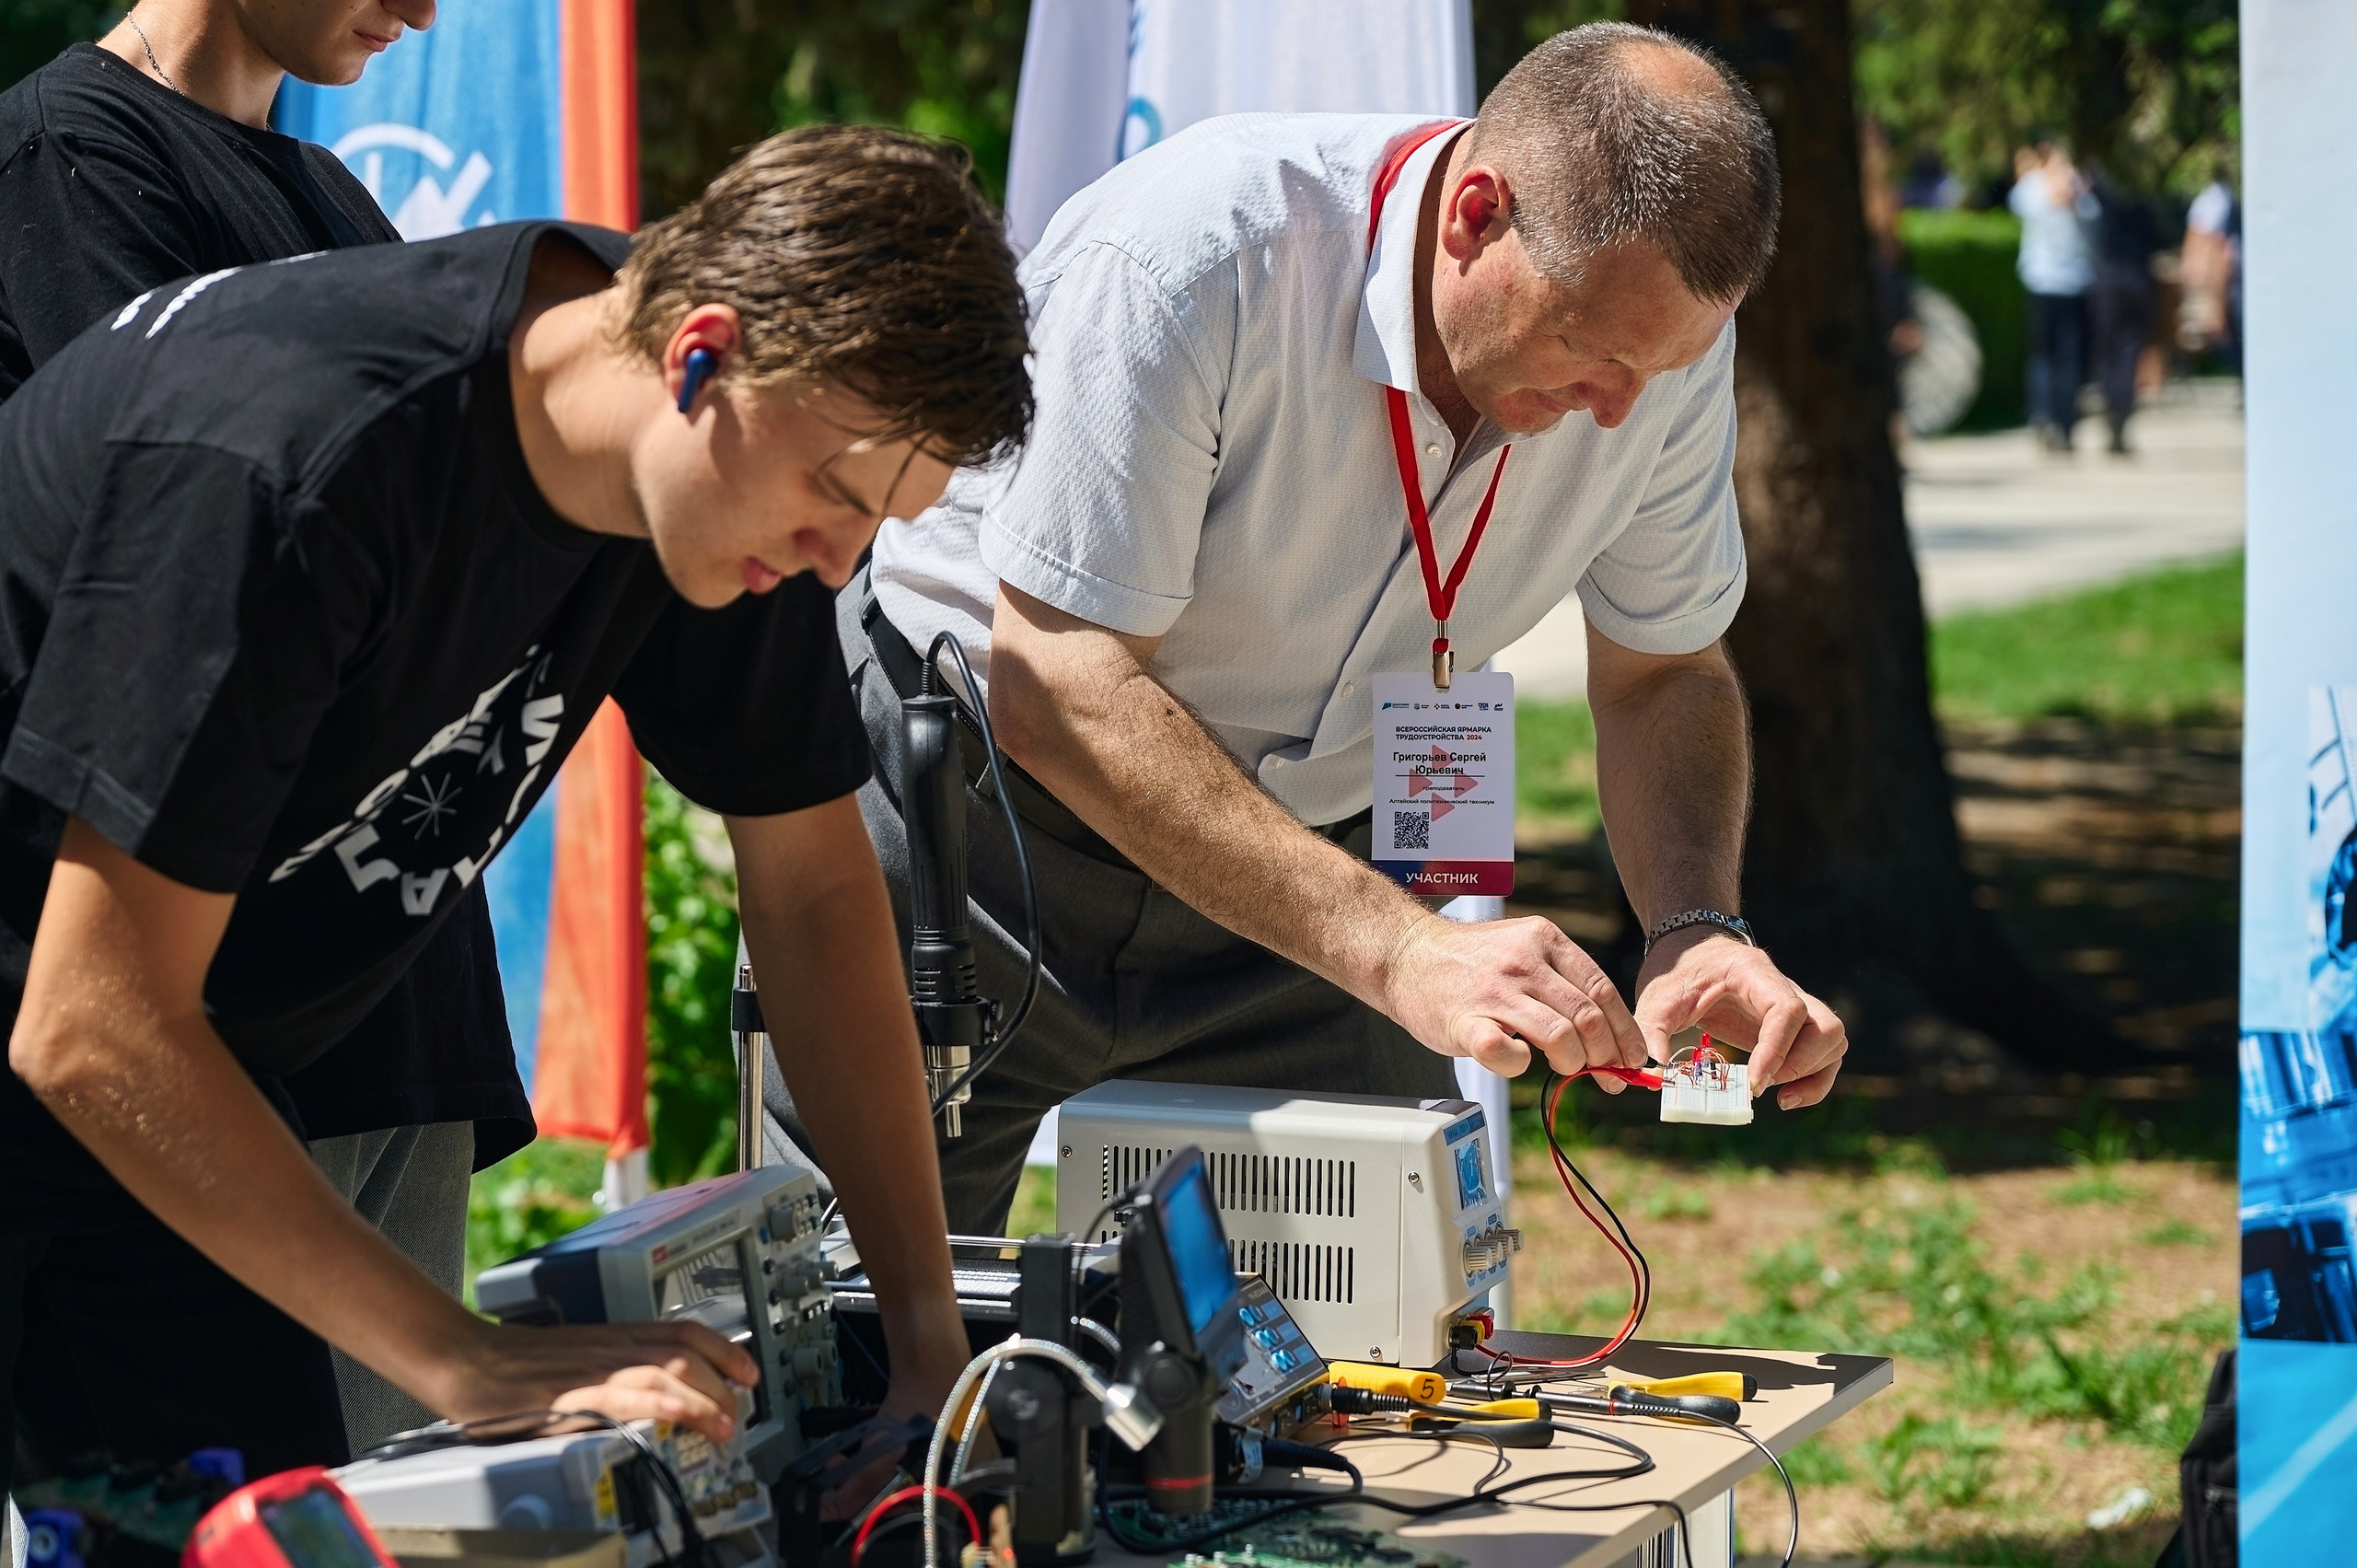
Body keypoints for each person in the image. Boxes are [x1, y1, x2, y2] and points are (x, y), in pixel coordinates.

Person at [0, 125, 1026, 1505]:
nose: (838, 561)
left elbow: (818, 889)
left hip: (164, 1086)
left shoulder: (719, 476)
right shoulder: (293, 455)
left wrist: (926, 1351)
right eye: (838, 495)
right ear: (702, 352)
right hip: (97, 1028)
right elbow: (91, 1015)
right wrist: (468, 1361)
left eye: (884, 522)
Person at [802, 22, 1849, 1237]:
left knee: (1379, 1348)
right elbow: (1061, 681)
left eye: (1660, 365)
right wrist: (1401, 951)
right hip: (974, 838)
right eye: (1588, 346)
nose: (1617, 409)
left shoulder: (1658, 351)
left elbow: (1666, 670)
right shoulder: (1200, 252)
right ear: (1476, 214)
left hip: (1300, 888)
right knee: (861, 1339)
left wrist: (1693, 923)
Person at [0, 0, 535, 1471]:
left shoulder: (334, 194)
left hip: (400, 1012)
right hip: (205, 1038)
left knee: (391, 1500)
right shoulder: (68, 165)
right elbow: (197, 599)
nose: (425, 10)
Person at [2010, 142, 2098, 453]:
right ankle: (2044, 415)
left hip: (2073, 282)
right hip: (2043, 280)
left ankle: (2065, 421)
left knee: (2068, 357)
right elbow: (2020, 201)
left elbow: (2092, 219)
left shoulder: (2079, 191)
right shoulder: (2035, 187)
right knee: (2045, 354)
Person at [2088, 168, 2162, 456]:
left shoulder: (2101, 187)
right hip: (2137, 277)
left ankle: (2114, 407)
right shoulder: (2144, 190)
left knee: (2109, 350)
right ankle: (2121, 409)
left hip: (2111, 277)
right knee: (2128, 349)